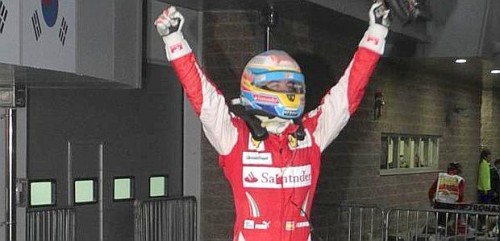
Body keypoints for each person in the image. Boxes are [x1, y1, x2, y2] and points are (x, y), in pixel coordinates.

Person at [155, 2, 390, 241]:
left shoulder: (310, 135)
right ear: (255, 86)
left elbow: (346, 95)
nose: (289, 92)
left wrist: (376, 34)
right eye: (279, 85)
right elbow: (205, 100)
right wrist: (174, 41)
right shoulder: (235, 138)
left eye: (293, 85)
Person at [428, 162, 465, 227]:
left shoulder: (441, 177)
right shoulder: (459, 179)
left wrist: (431, 201)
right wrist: (459, 203)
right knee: (445, 223)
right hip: (450, 204)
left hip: (438, 203)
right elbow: (460, 195)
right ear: (456, 170)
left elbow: (431, 190)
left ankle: (439, 232)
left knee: (439, 223)